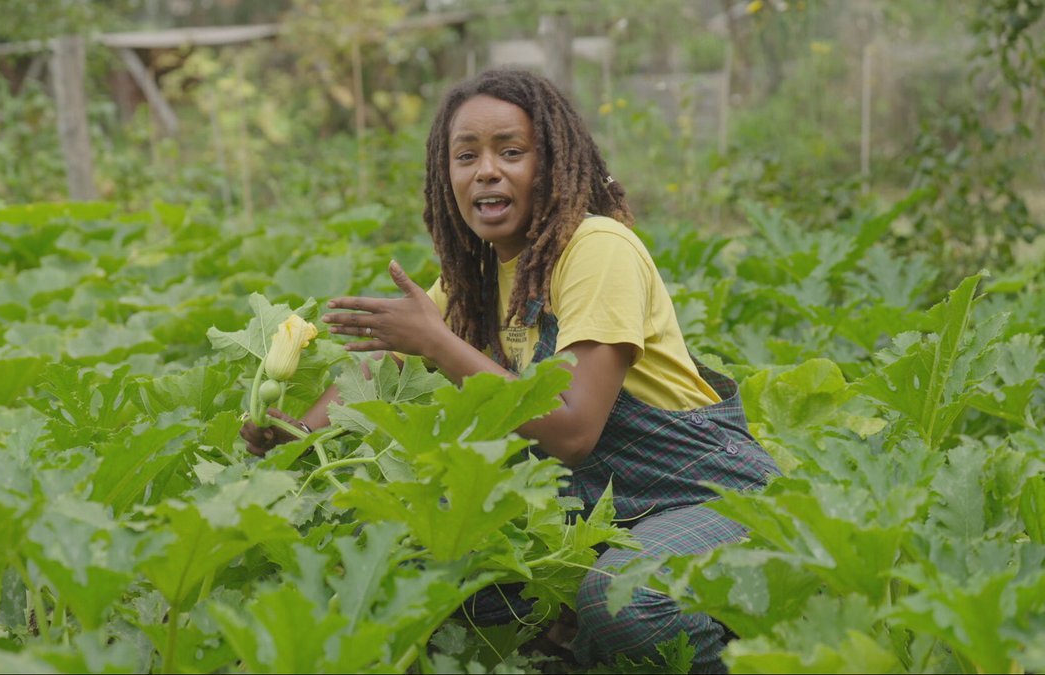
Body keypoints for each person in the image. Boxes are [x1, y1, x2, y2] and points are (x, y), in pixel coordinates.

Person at [241, 68, 779, 671]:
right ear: (446, 177)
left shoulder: (597, 248)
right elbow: (365, 385)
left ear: (552, 163)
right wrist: (292, 436)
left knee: (628, 601)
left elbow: (575, 432)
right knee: (427, 585)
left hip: (710, 502)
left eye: (511, 152)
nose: (486, 170)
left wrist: (437, 342)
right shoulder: (469, 284)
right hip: (595, 526)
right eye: (465, 156)